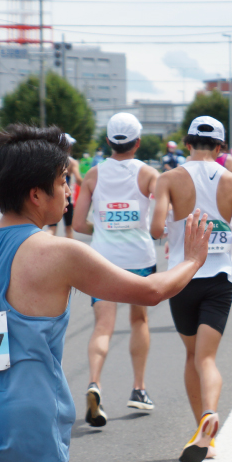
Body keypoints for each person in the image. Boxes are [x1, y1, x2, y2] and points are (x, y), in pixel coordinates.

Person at [0, 124, 211, 462]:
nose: (69, 190)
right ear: (36, 194)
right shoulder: (59, 252)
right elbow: (152, 291)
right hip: (30, 424)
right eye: (62, 181)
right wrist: (195, 259)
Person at [151, 115, 232, 462]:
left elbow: (155, 228)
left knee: (190, 356)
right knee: (207, 359)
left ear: (186, 141)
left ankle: (202, 428)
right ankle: (209, 417)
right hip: (219, 278)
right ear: (222, 147)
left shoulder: (168, 178)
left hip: (183, 277)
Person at [73, 113, 159, 427]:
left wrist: (105, 228)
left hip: (103, 259)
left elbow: (78, 223)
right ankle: (139, 389)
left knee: (102, 326)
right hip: (139, 257)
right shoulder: (149, 174)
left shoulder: (93, 175)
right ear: (137, 142)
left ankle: (94, 383)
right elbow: (162, 216)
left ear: (108, 141)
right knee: (139, 320)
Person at [48, 134, 82, 240]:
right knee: (68, 229)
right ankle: (70, 255)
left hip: (52, 197)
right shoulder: (72, 162)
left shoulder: (50, 160)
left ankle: (43, 250)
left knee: (52, 229)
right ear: (68, 147)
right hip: (66, 198)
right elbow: (78, 179)